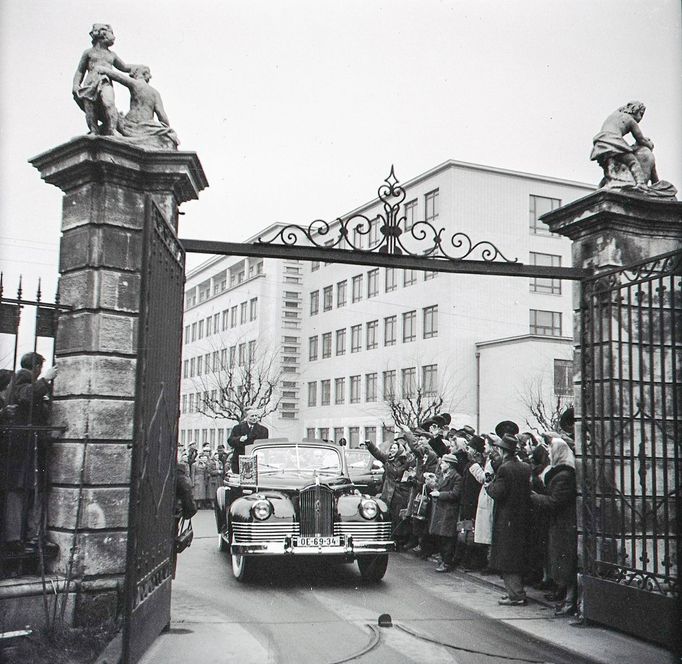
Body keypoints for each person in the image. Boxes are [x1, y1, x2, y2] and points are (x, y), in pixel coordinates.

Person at [3, 353, 57, 547]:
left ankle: (23, 536)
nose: (40, 372)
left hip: (23, 445)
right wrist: (46, 380)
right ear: (35, 367)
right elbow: (26, 395)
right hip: (24, 445)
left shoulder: (21, 381)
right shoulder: (24, 377)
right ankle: (24, 537)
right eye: (40, 368)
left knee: (24, 489)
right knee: (24, 489)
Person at [531, 434, 578, 616]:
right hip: (558, 524)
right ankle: (565, 598)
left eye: (552, 450)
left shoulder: (564, 475)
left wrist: (535, 497)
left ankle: (569, 601)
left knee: (566, 564)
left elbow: (554, 501)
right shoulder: (559, 472)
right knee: (560, 563)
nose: (549, 454)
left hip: (564, 525)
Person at [486, 433, 532, 606]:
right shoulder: (525, 467)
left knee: (507, 558)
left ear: (502, 450)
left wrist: (488, 486)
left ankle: (516, 595)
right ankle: (514, 592)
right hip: (521, 517)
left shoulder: (504, 469)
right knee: (515, 557)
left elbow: (498, 493)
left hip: (506, 519)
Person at [93, 63, 179, 150]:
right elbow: (162, 115)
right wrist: (167, 129)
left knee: (107, 125)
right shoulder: (155, 93)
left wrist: (103, 69)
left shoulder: (136, 84)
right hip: (149, 127)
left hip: (131, 125)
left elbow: (118, 76)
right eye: (149, 74)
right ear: (144, 75)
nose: (150, 77)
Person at [72, 24, 131, 135]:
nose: (113, 37)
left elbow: (124, 67)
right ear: (101, 34)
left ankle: (112, 129)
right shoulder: (88, 52)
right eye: (111, 33)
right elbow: (80, 70)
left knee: (109, 103)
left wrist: (136, 67)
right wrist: (76, 84)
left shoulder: (112, 55)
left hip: (105, 82)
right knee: (90, 108)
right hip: (90, 82)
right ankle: (94, 130)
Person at [590, 101, 654, 189]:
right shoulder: (630, 120)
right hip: (613, 140)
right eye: (641, 114)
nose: (641, 118)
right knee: (632, 162)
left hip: (600, 143)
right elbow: (641, 139)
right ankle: (641, 183)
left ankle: (602, 186)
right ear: (635, 110)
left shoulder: (614, 115)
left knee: (610, 169)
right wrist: (649, 145)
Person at [364, 438, 411, 546]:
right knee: (388, 514)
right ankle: (389, 537)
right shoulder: (388, 459)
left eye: (395, 448)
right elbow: (378, 453)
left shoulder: (405, 461)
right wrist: (370, 444)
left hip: (400, 492)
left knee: (398, 517)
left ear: (399, 450)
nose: (392, 450)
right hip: (388, 491)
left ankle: (400, 540)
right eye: (391, 448)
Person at [427, 452, 462, 572]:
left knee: (447, 538)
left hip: (449, 510)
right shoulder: (443, 475)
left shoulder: (456, 477)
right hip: (442, 509)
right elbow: (438, 486)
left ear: (450, 464)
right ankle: (443, 559)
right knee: (441, 537)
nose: (441, 465)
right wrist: (432, 483)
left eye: (444, 463)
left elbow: (455, 494)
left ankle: (447, 563)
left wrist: (439, 494)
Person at [227, 409, 269, 474]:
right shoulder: (237, 428)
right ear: (246, 417)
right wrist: (239, 439)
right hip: (240, 460)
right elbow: (230, 441)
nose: (254, 418)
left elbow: (264, 446)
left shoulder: (263, 430)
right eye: (252, 416)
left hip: (257, 460)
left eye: (256, 416)